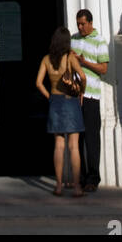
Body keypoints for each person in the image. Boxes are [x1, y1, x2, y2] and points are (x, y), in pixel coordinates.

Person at [35, 26, 85, 197]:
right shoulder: (70, 57)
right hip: (70, 101)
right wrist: (81, 91)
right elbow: (82, 76)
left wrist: (49, 96)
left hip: (55, 101)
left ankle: (58, 186)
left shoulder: (47, 59)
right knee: (74, 146)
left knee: (58, 145)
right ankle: (77, 187)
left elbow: (38, 83)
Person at [70, 8, 109, 191]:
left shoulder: (99, 41)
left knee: (92, 138)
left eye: (83, 24)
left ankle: (93, 178)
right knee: (77, 137)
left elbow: (103, 68)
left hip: (91, 95)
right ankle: (80, 176)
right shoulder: (74, 39)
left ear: (91, 23)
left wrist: (84, 63)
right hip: (75, 96)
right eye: (78, 23)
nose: (80, 27)